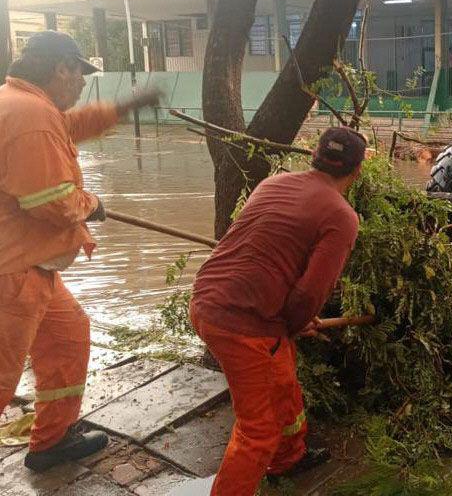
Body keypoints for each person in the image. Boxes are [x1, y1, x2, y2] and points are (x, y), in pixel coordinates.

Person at [0, 31, 162, 471]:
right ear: (62, 68)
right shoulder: (32, 116)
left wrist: (126, 106)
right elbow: (51, 202)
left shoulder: (25, 103)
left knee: (69, 337)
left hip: (31, 268)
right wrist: (91, 204)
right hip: (11, 274)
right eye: (80, 77)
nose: (81, 86)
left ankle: (51, 442)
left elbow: (73, 126)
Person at [189, 127, 366, 496]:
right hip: (244, 325)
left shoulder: (274, 183)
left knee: (281, 372)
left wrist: (288, 326)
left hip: (206, 298)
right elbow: (311, 292)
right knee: (258, 430)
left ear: (313, 157)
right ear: (357, 171)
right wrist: (296, 322)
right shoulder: (342, 215)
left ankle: (290, 457)